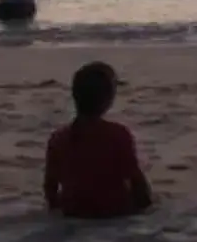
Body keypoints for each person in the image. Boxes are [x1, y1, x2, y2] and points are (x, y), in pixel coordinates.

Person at [43, 61, 153, 219]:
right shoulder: (118, 134)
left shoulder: (58, 138)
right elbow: (138, 185)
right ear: (108, 99)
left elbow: (50, 190)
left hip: (74, 212)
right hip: (114, 211)